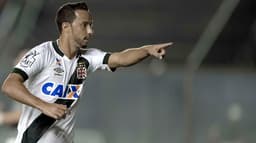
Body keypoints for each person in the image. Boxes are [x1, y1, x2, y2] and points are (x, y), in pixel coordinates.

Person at [1, 1, 173, 143]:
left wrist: (146, 50)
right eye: (85, 25)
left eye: (91, 25)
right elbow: (9, 85)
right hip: (36, 137)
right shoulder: (42, 53)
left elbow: (120, 58)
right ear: (66, 27)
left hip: (64, 138)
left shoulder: (88, 58)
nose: (91, 31)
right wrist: (44, 106)